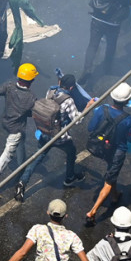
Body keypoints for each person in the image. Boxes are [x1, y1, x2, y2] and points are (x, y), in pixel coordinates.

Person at [17, 74, 85, 202]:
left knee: (37, 158)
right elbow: (77, 120)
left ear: (59, 83)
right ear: (71, 88)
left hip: (45, 132)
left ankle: (22, 182)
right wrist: (87, 107)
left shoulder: (51, 91)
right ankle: (69, 178)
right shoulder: (68, 101)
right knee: (71, 152)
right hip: (59, 136)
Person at [85, 82, 131, 225]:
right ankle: (92, 211)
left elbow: (90, 128)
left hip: (102, 148)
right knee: (109, 180)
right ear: (127, 101)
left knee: (112, 172)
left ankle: (115, 195)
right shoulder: (127, 119)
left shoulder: (102, 110)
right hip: (116, 152)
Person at [0, 63, 38, 196]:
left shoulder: (9, 86)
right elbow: (32, 113)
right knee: (7, 155)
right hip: (16, 130)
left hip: (6, 122)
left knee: (20, 143)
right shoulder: (31, 97)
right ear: (31, 80)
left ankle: (21, 165)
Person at [82, 0, 131, 79]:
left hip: (96, 18)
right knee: (111, 45)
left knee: (93, 45)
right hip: (113, 23)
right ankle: (107, 68)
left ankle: (87, 69)